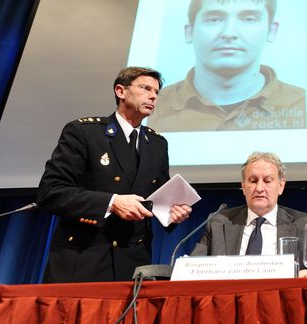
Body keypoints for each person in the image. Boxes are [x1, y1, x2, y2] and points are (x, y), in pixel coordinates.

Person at [37, 67, 192, 283]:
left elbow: (157, 198)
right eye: (145, 88)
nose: (153, 96)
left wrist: (172, 213)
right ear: (121, 91)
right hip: (85, 258)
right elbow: (51, 192)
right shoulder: (85, 133)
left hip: (133, 263)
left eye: (156, 92)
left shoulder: (157, 144)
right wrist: (112, 202)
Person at [148, 0, 306, 131]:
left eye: (249, 19)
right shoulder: (152, 107)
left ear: (271, 31)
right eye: (214, 19)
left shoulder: (301, 103)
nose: (229, 33)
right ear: (189, 32)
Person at [190, 152, 307, 264]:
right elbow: (192, 269)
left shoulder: (304, 225)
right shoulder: (218, 223)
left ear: (281, 186)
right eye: (253, 181)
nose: (259, 188)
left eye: (267, 181)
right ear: (243, 186)